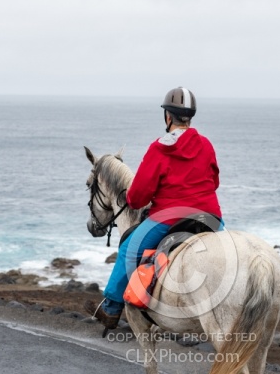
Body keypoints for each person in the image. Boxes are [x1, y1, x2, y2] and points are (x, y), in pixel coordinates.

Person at [85, 86, 223, 329]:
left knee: (129, 249)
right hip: (211, 218)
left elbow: (137, 197)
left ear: (167, 116)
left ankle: (111, 307)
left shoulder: (160, 148)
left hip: (170, 218)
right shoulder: (206, 144)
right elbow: (215, 182)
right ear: (190, 117)